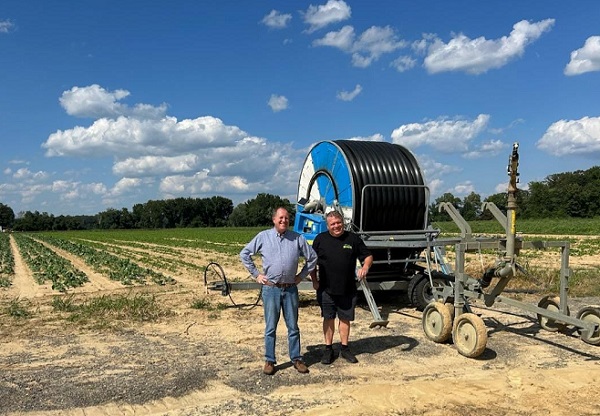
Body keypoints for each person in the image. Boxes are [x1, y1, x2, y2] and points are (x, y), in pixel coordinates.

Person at [240, 207, 317, 375]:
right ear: (274, 220)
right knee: (270, 328)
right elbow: (244, 254)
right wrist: (256, 274)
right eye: (281, 218)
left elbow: (312, 258)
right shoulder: (263, 237)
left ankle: (296, 359)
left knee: (293, 327)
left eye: (287, 218)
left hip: (290, 289)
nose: (284, 221)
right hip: (271, 289)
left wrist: (301, 276)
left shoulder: (297, 238)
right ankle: (269, 361)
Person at [310, 210, 373, 365]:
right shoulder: (320, 239)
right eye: (333, 224)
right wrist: (314, 280)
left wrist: (365, 267)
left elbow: (368, 256)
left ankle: (344, 348)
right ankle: (328, 349)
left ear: (343, 222)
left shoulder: (353, 239)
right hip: (326, 289)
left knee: (345, 319)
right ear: (327, 225)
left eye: (339, 223)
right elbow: (311, 262)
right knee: (328, 318)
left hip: (347, 288)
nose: (336, 226)